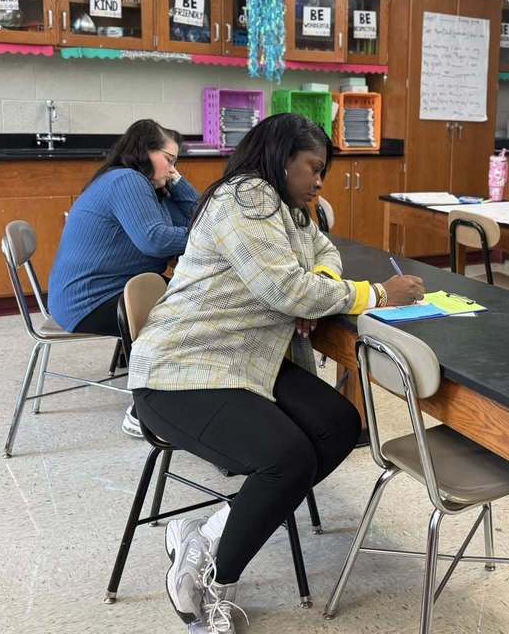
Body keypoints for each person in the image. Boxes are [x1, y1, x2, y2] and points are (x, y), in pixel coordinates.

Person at [127, 113, 424, 633]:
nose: (318, 181)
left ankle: (207, 533)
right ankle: (217, 583)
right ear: (281, 158)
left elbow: (322, 252)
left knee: (335, 426)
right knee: (285, 460)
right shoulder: (246, 198)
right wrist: (375, 294)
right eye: (312, 168)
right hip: (182, 368)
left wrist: (318, 282)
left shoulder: (289, 209)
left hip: (244, 359)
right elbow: (285, 291)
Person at [48, 119, 198, 436]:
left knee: (191, 297)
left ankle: (170, 386)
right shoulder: (127, 181)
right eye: (169, 160)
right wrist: (210, 240)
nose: (172, 170)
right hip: (88, 302)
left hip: (99, 294)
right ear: (144, 151)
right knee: (193, 307)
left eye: (176, 164)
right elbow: (155, 240)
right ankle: (144, 409)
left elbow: (199, 216)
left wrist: (177, 183)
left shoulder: (149, 187)